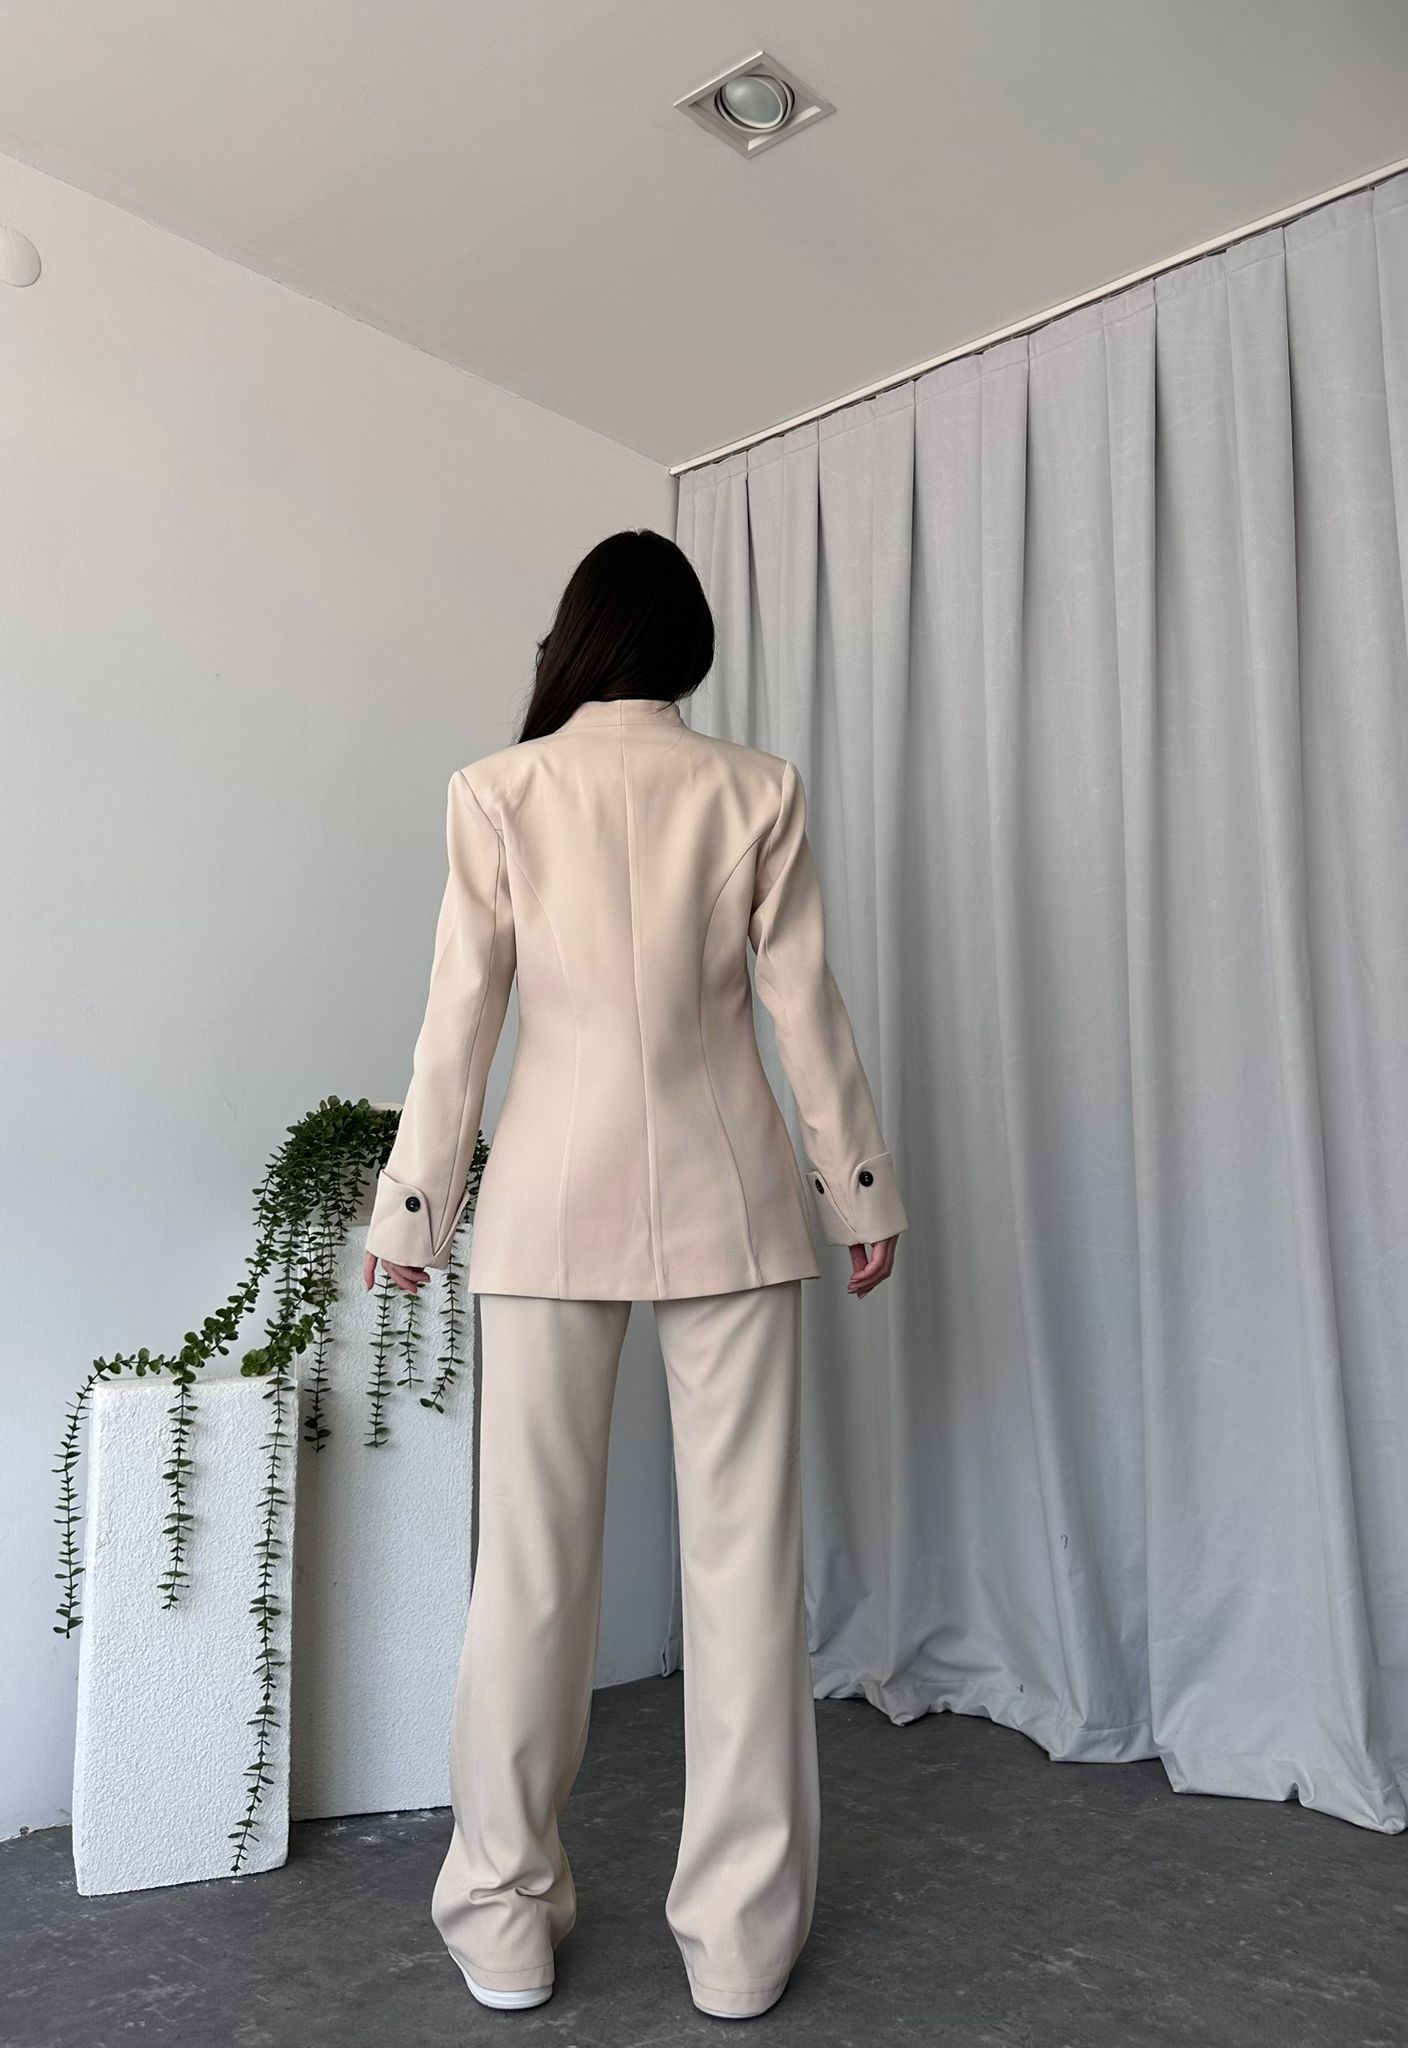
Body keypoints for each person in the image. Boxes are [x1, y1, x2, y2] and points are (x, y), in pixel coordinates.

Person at [363, 528, 906, 2021]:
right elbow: (805, 1010)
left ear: (577, 637)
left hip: (546, 1204)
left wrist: (413, 1211)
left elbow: (459, 1022)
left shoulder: (498, 791)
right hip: (734, 1198)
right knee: (744, 1574)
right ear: (689, 648)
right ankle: (740, 1947)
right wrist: (857, 1187)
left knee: (529, 1571)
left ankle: (501, 1922)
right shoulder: (756, 790)